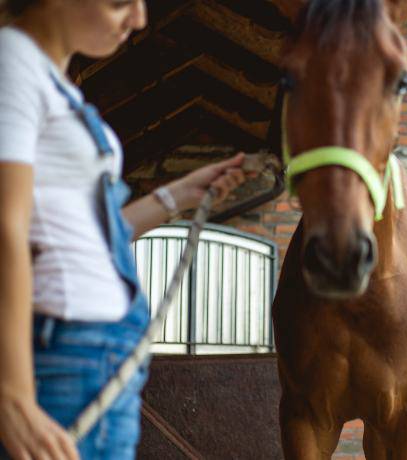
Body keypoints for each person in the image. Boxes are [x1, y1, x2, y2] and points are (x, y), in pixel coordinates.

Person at [0, 1, 249, 458]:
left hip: (100, 354)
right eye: (120, 3)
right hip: (64, 354)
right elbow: (5, 226)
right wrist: (11, 392)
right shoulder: (11, 66)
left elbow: (95, 236)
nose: (138, 19)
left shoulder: (52, 83)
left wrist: (180, 195)